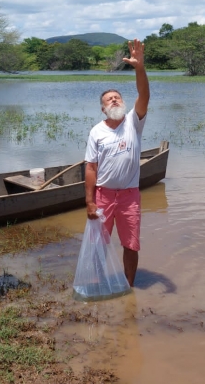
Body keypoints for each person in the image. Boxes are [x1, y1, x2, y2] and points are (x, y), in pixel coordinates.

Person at [84, 39, 149, 287]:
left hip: (129, 196)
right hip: (103, 195)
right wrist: (90, 202)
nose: (114, 100)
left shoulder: (133, 122)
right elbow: (90, 168)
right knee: (98, 245)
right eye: (109, 99)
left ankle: (129, 286)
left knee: (131, 244)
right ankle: (99, 283)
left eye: (117, 97)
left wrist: (139, 68)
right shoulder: (96, 132)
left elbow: (144, 94)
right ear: (103, 109)